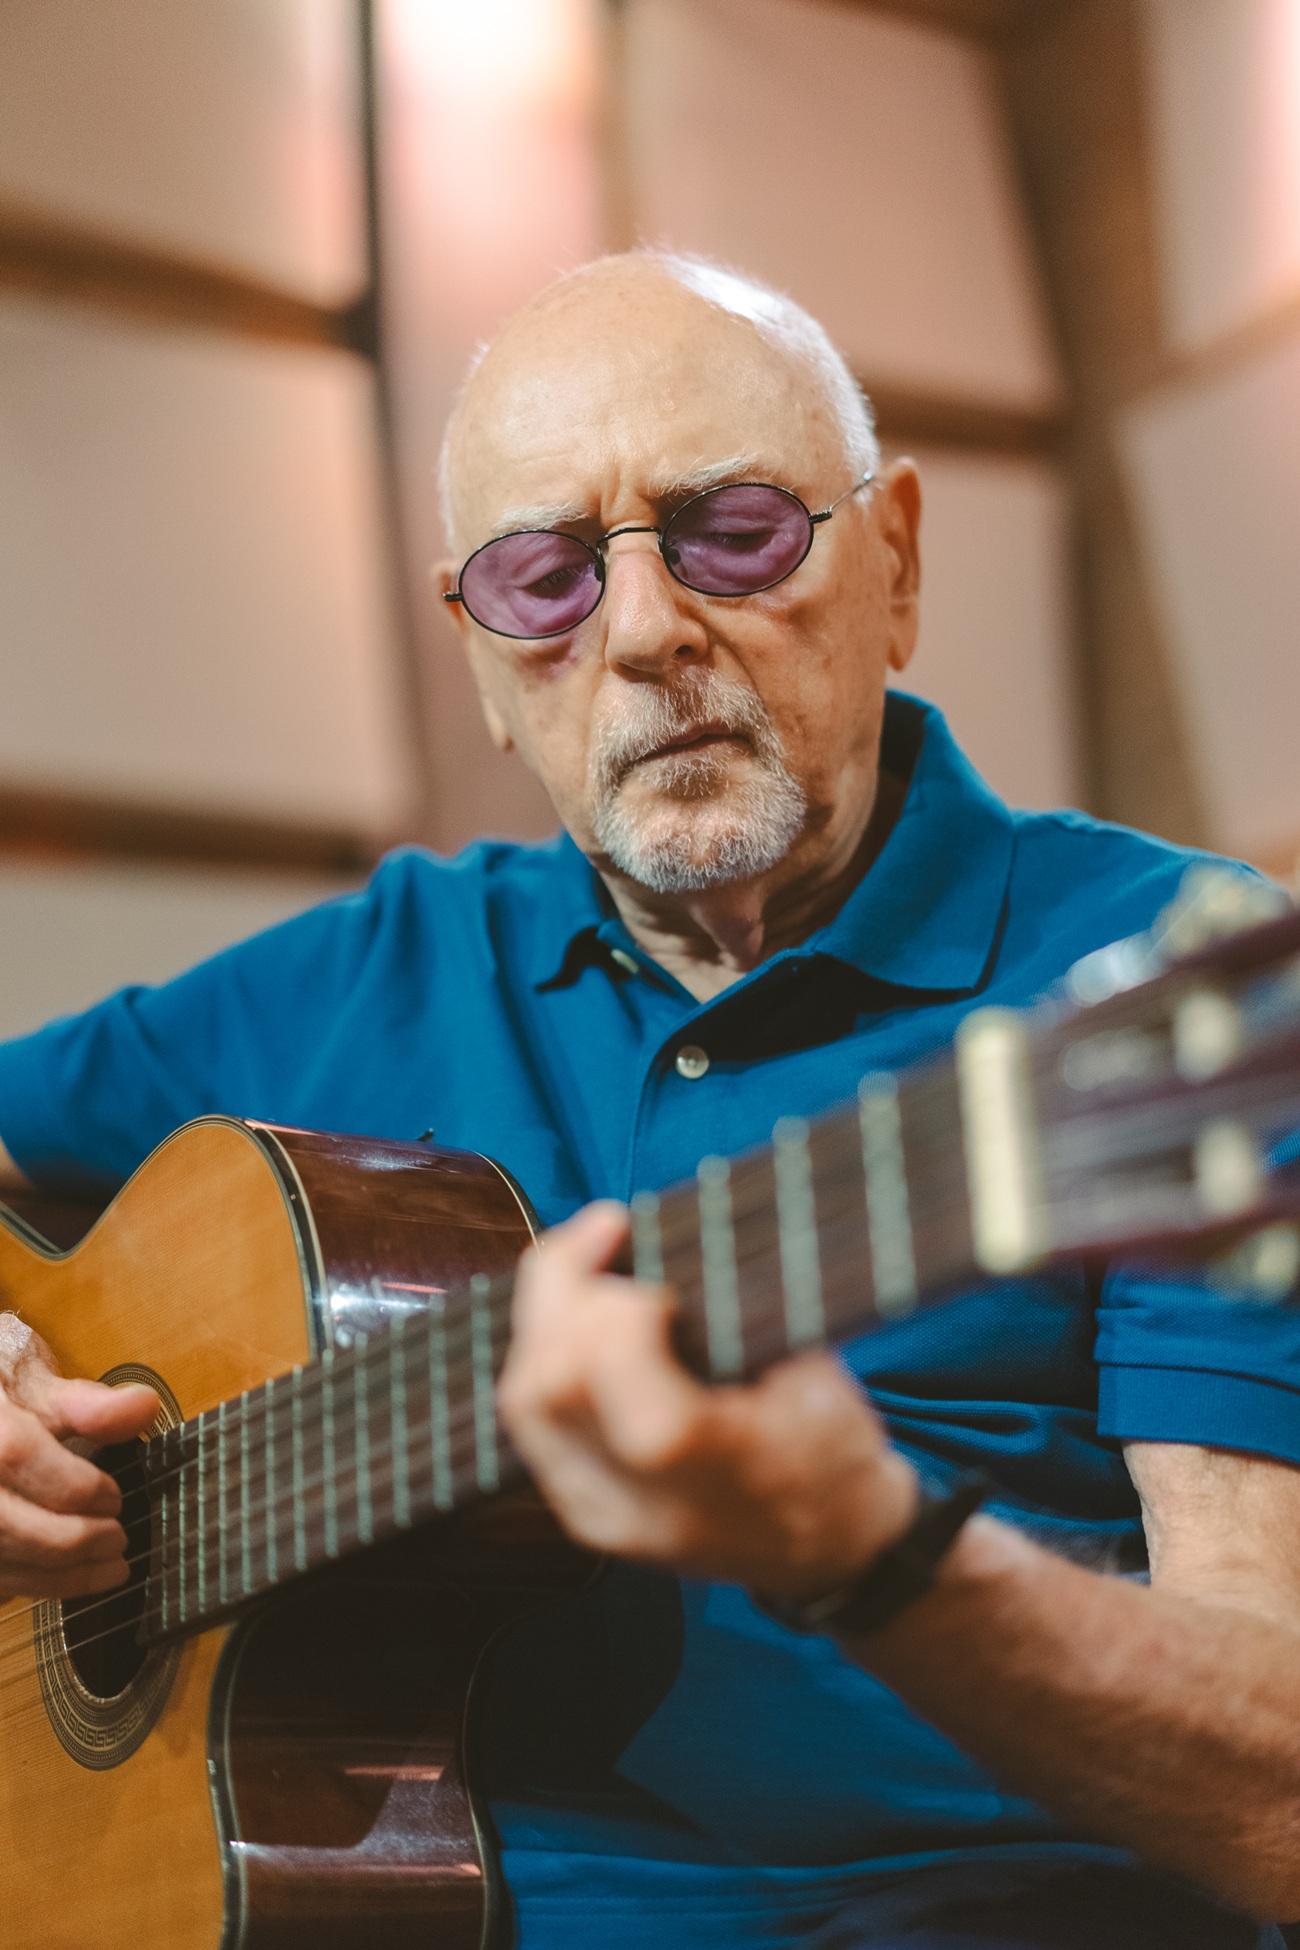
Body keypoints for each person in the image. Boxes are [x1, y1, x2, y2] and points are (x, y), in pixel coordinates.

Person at [0, 252, 1297, 1950]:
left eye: (733, 533)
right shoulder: (393, 956)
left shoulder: (1168, 987)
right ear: (480, 663)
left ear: (897, 561)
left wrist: (876, 1552)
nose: (642, 631)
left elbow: (1281, 1804)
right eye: (543, 579)